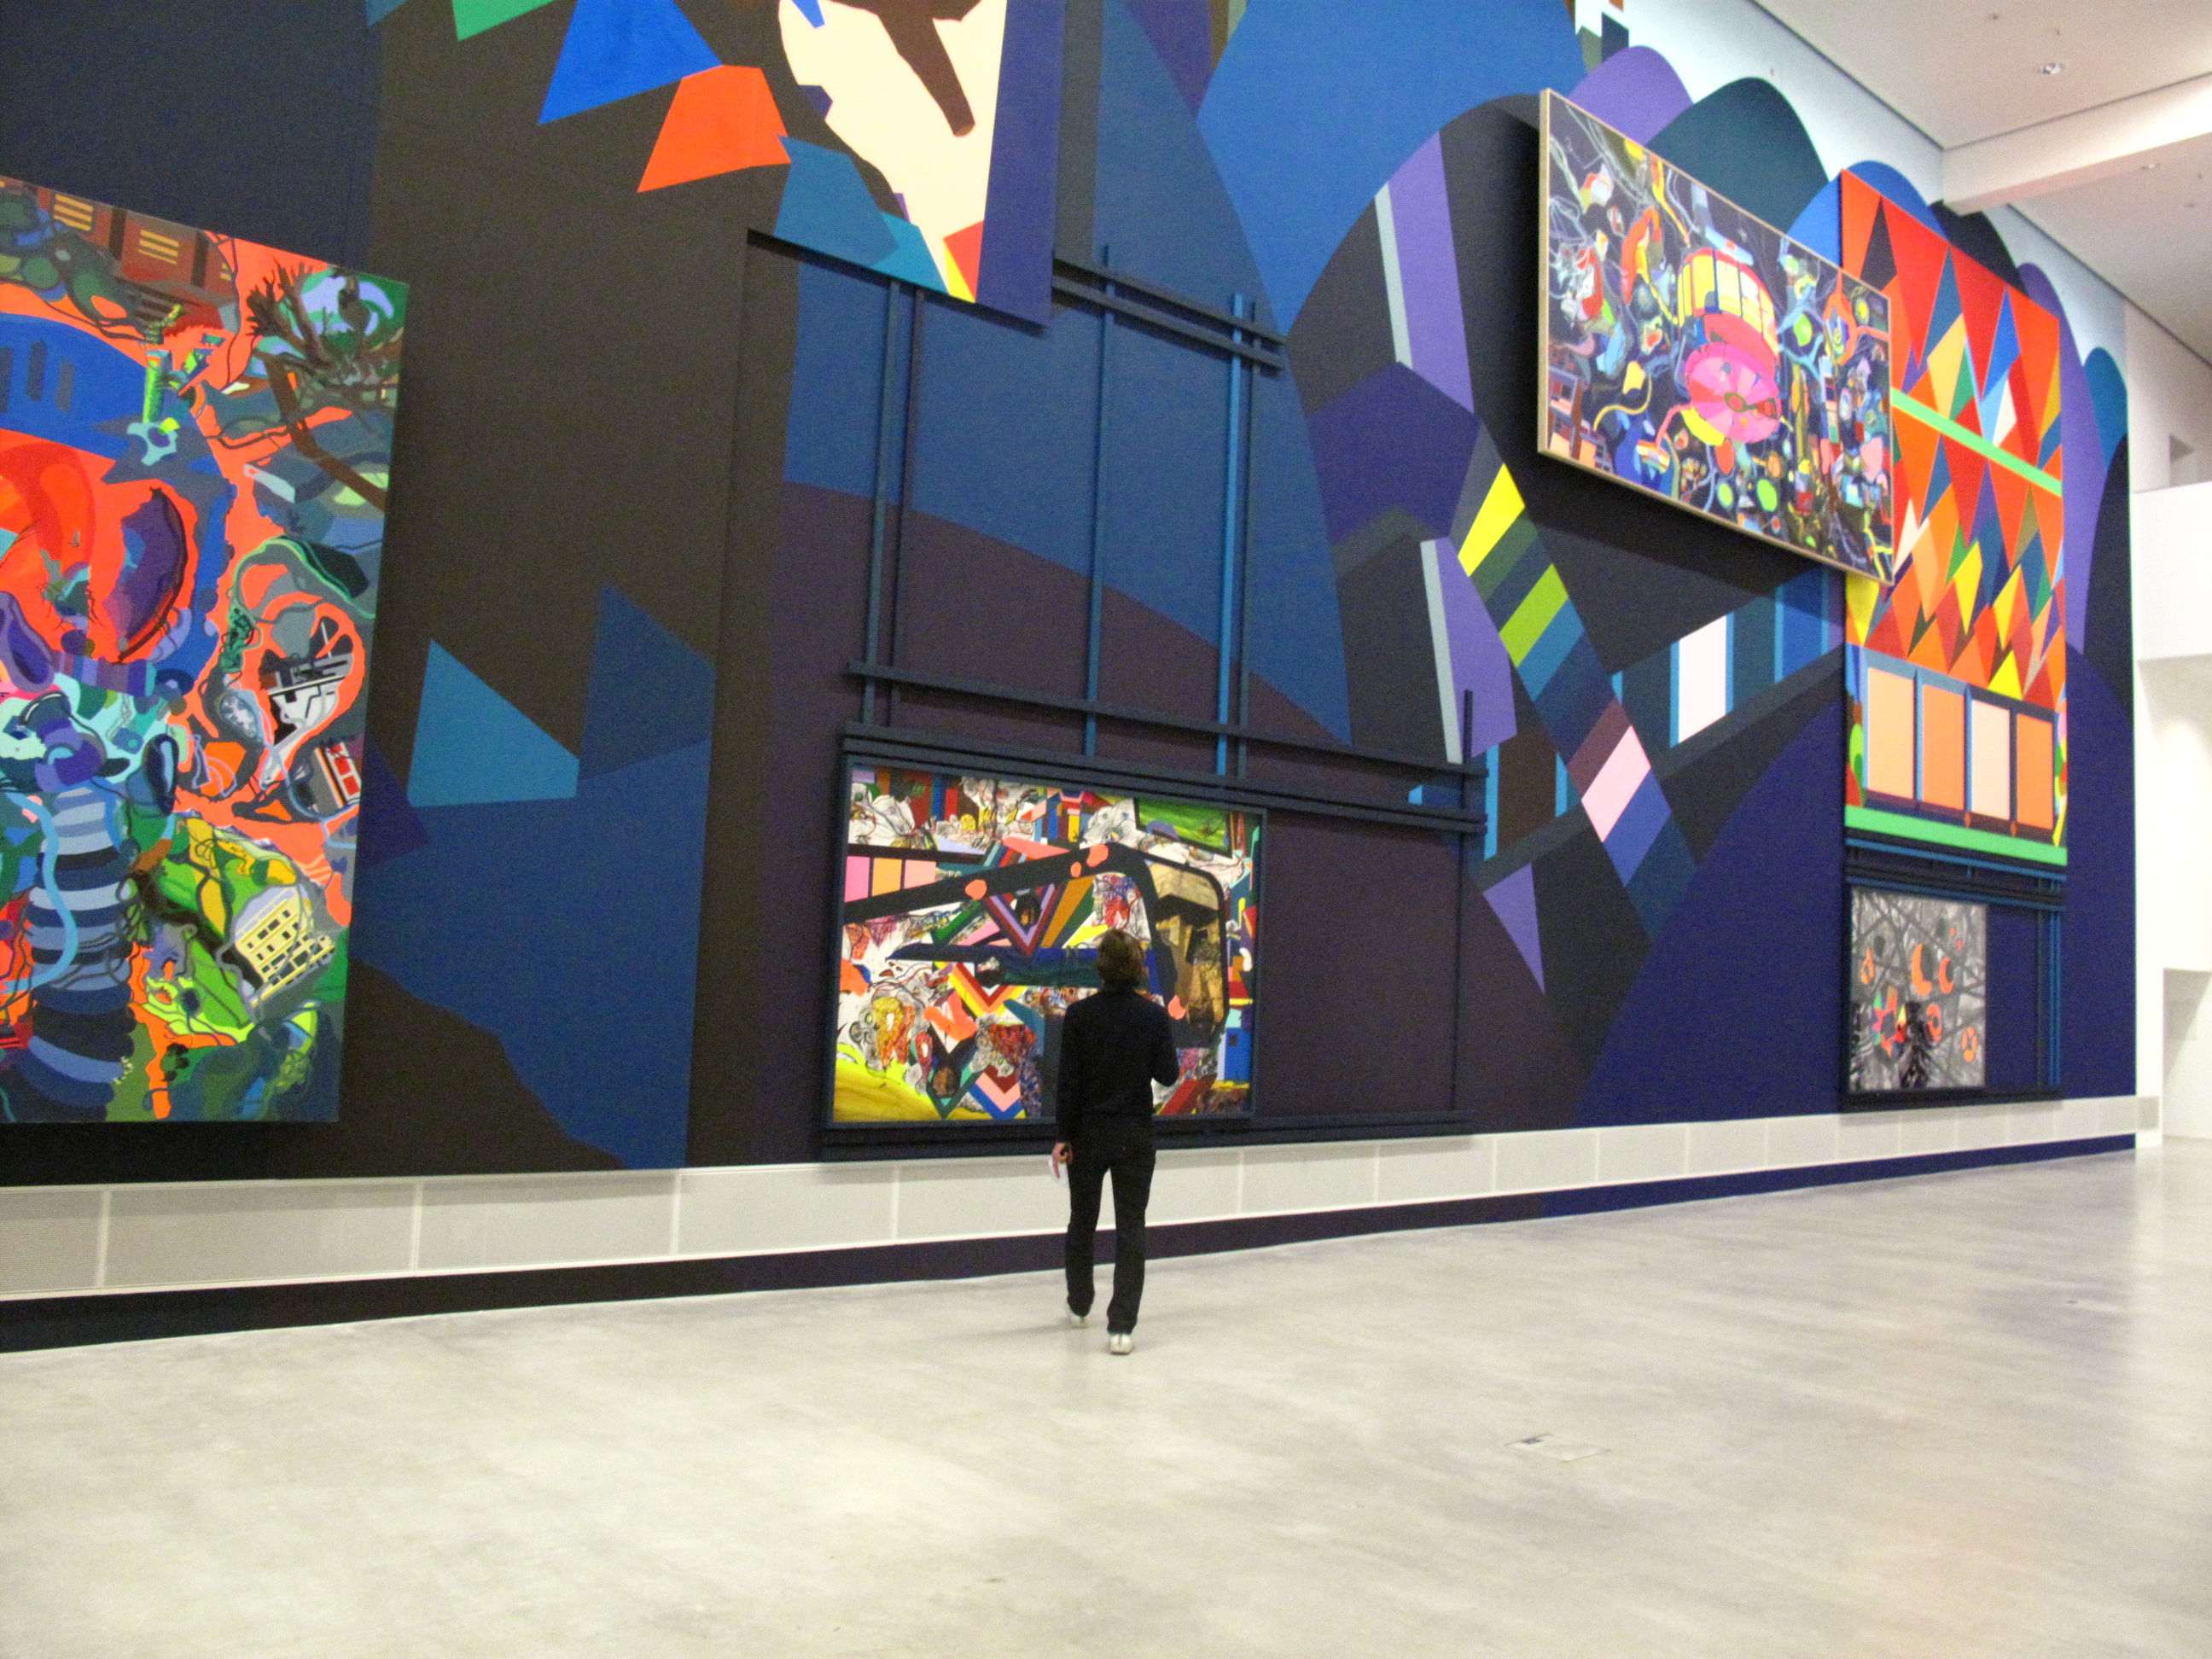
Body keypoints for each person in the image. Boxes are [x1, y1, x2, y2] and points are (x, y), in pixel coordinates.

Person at [1051, 928, 1180, 1355]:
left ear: (1101, 967)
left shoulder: (1079, 1015)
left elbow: (1068, 1084)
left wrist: (1062, 1137)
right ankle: (1122, 1328)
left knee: (1082, 1220)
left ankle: (1079, 1302)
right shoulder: (1152, 1016)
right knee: (1131, 1228)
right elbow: (1168, 1074)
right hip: (1135, 1136)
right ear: (1139, 967)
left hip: (1087, 1135)